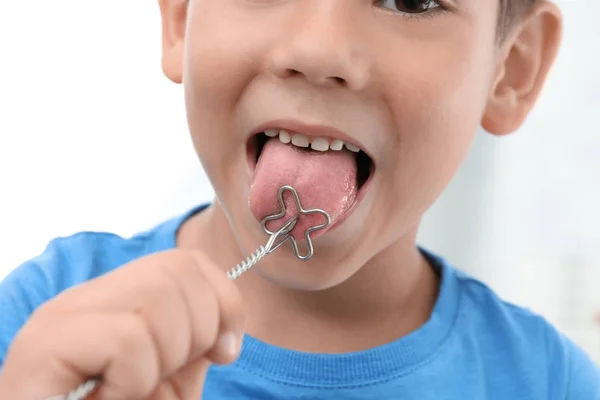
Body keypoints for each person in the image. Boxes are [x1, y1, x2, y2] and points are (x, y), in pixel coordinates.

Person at [0, 0, 598, 398]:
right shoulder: (41, 331)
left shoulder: (550, 383)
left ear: (509, 72)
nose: (319, 51)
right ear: (182, 15)